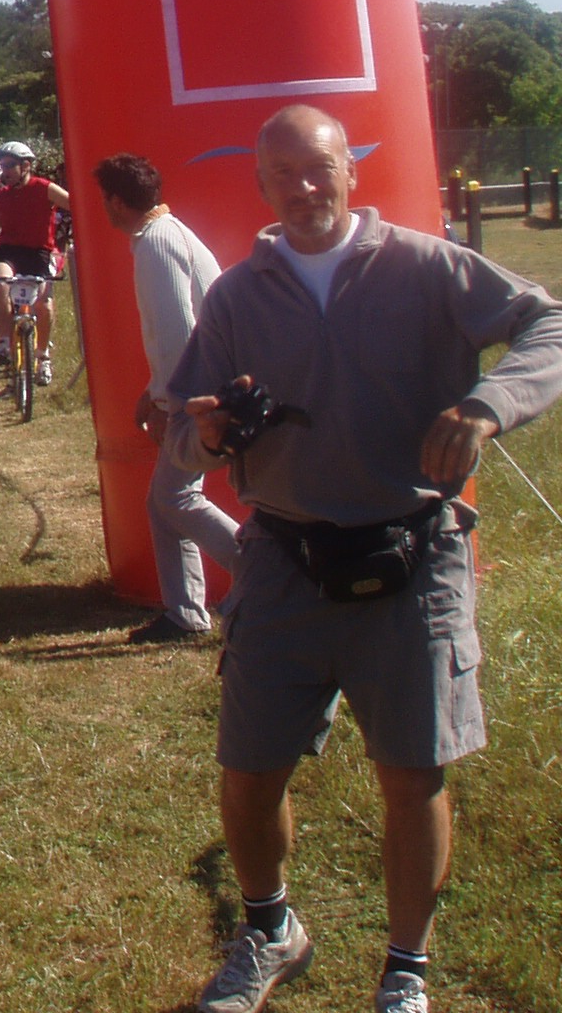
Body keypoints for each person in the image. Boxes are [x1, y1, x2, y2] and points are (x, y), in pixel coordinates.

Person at [167, 105, 562, 1013]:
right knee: (250, 769)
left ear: (353, 170)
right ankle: (270, 930)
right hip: (284, 560)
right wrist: (209, 433)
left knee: (413, 774)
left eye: (320, 168)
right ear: (260, 186)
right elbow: (182, 431)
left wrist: (488, 405)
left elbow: (549, 325)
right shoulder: (235, 297)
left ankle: (404, 973)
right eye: (282, 174)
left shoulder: (427, 267)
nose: (304, 188)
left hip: (413, 556)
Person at [95, 150, 238, 645]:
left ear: (117, 201)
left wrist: (165, 402)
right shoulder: (164, 235)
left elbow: (180, 334)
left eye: (105, 199)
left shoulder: (156, 243)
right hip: (200, 390)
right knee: (164, 503)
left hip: (199, 398)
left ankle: (269, 574)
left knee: (175, 498)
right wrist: (152, 392)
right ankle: (184, 613)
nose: (104, 208)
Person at [0, 138, 71, 384]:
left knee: (44, 303)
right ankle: (3, 342)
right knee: (0, 282)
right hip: (9, 251)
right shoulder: (1, 196)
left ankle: (43, 357)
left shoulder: (44, 188)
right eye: (2, 166)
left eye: (10, 165)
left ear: (26, 166)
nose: (5, 171)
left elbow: (75, 204)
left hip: (39, 252)